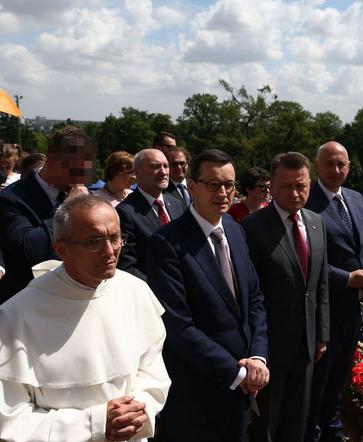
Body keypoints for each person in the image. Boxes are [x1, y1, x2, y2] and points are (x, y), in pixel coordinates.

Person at [0, 194, 170, 441]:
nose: (109, 251)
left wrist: (140, 406)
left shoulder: (136, 291)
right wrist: (96, 424)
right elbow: (11, 417)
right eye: (94, 242)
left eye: (114, 238)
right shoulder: (16, 315)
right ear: (62, 249)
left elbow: (152, 370)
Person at [146, 149, 269, 442]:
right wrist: (237, 374)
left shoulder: (236, 231)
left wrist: (258, 357)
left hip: (241, 390)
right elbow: (178, 326)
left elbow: (254, 301)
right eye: (213, 184)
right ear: (192, 187)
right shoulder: (167, 243)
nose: (223, 192)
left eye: (229, 184)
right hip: (196, 393)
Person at [241, 152, 329, 442]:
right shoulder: (253, 228)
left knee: (297, 421)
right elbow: (249, 293)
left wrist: (322, 334)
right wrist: (254, 345)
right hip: (269, 347)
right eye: (286, 186)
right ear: (272, 187)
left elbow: (321, 283)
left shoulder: (317, 223)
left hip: (306, 345)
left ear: (310, 184)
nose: (294, 193)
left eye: (301, 186)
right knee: (265, 423)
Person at [306, 141, 363, 442]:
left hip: (354, 308)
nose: (336, 170)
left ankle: (332, 430)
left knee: (339, 378)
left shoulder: (355, 198)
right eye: (329, 164)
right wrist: (345, 278)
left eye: (342, 164)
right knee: (318, 381)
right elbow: (303, 259)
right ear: (317, 166)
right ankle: (313, 431)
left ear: (349, 166)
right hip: (322, 309)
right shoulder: (306, 201)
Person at [0, 126, 95, 303]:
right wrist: (66, 208)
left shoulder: (79, 191)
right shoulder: (10, 199)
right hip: (29, 304)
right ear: (53, 161)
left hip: (75, 299)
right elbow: (27, 250)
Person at [117, 149, 185, 281]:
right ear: (137, 172)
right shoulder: (125, 213)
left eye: (166, 166)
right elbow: (126, 266)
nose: (163, 172)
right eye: (155, 166)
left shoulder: (177, 204)